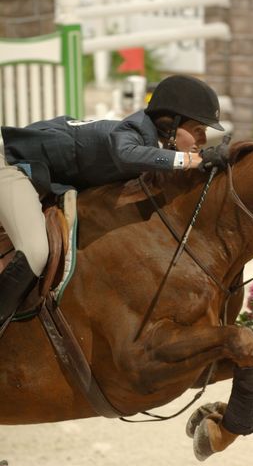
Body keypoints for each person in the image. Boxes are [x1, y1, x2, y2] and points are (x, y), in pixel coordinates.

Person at [0, 74, 229, 329]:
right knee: (35, 251)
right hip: (10, 166)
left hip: (42, 176)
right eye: (198, 130)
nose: (204, 141)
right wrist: (191, 161)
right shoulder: (134, 131)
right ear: (169, 124)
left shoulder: (149, 141)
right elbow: (126, 154)